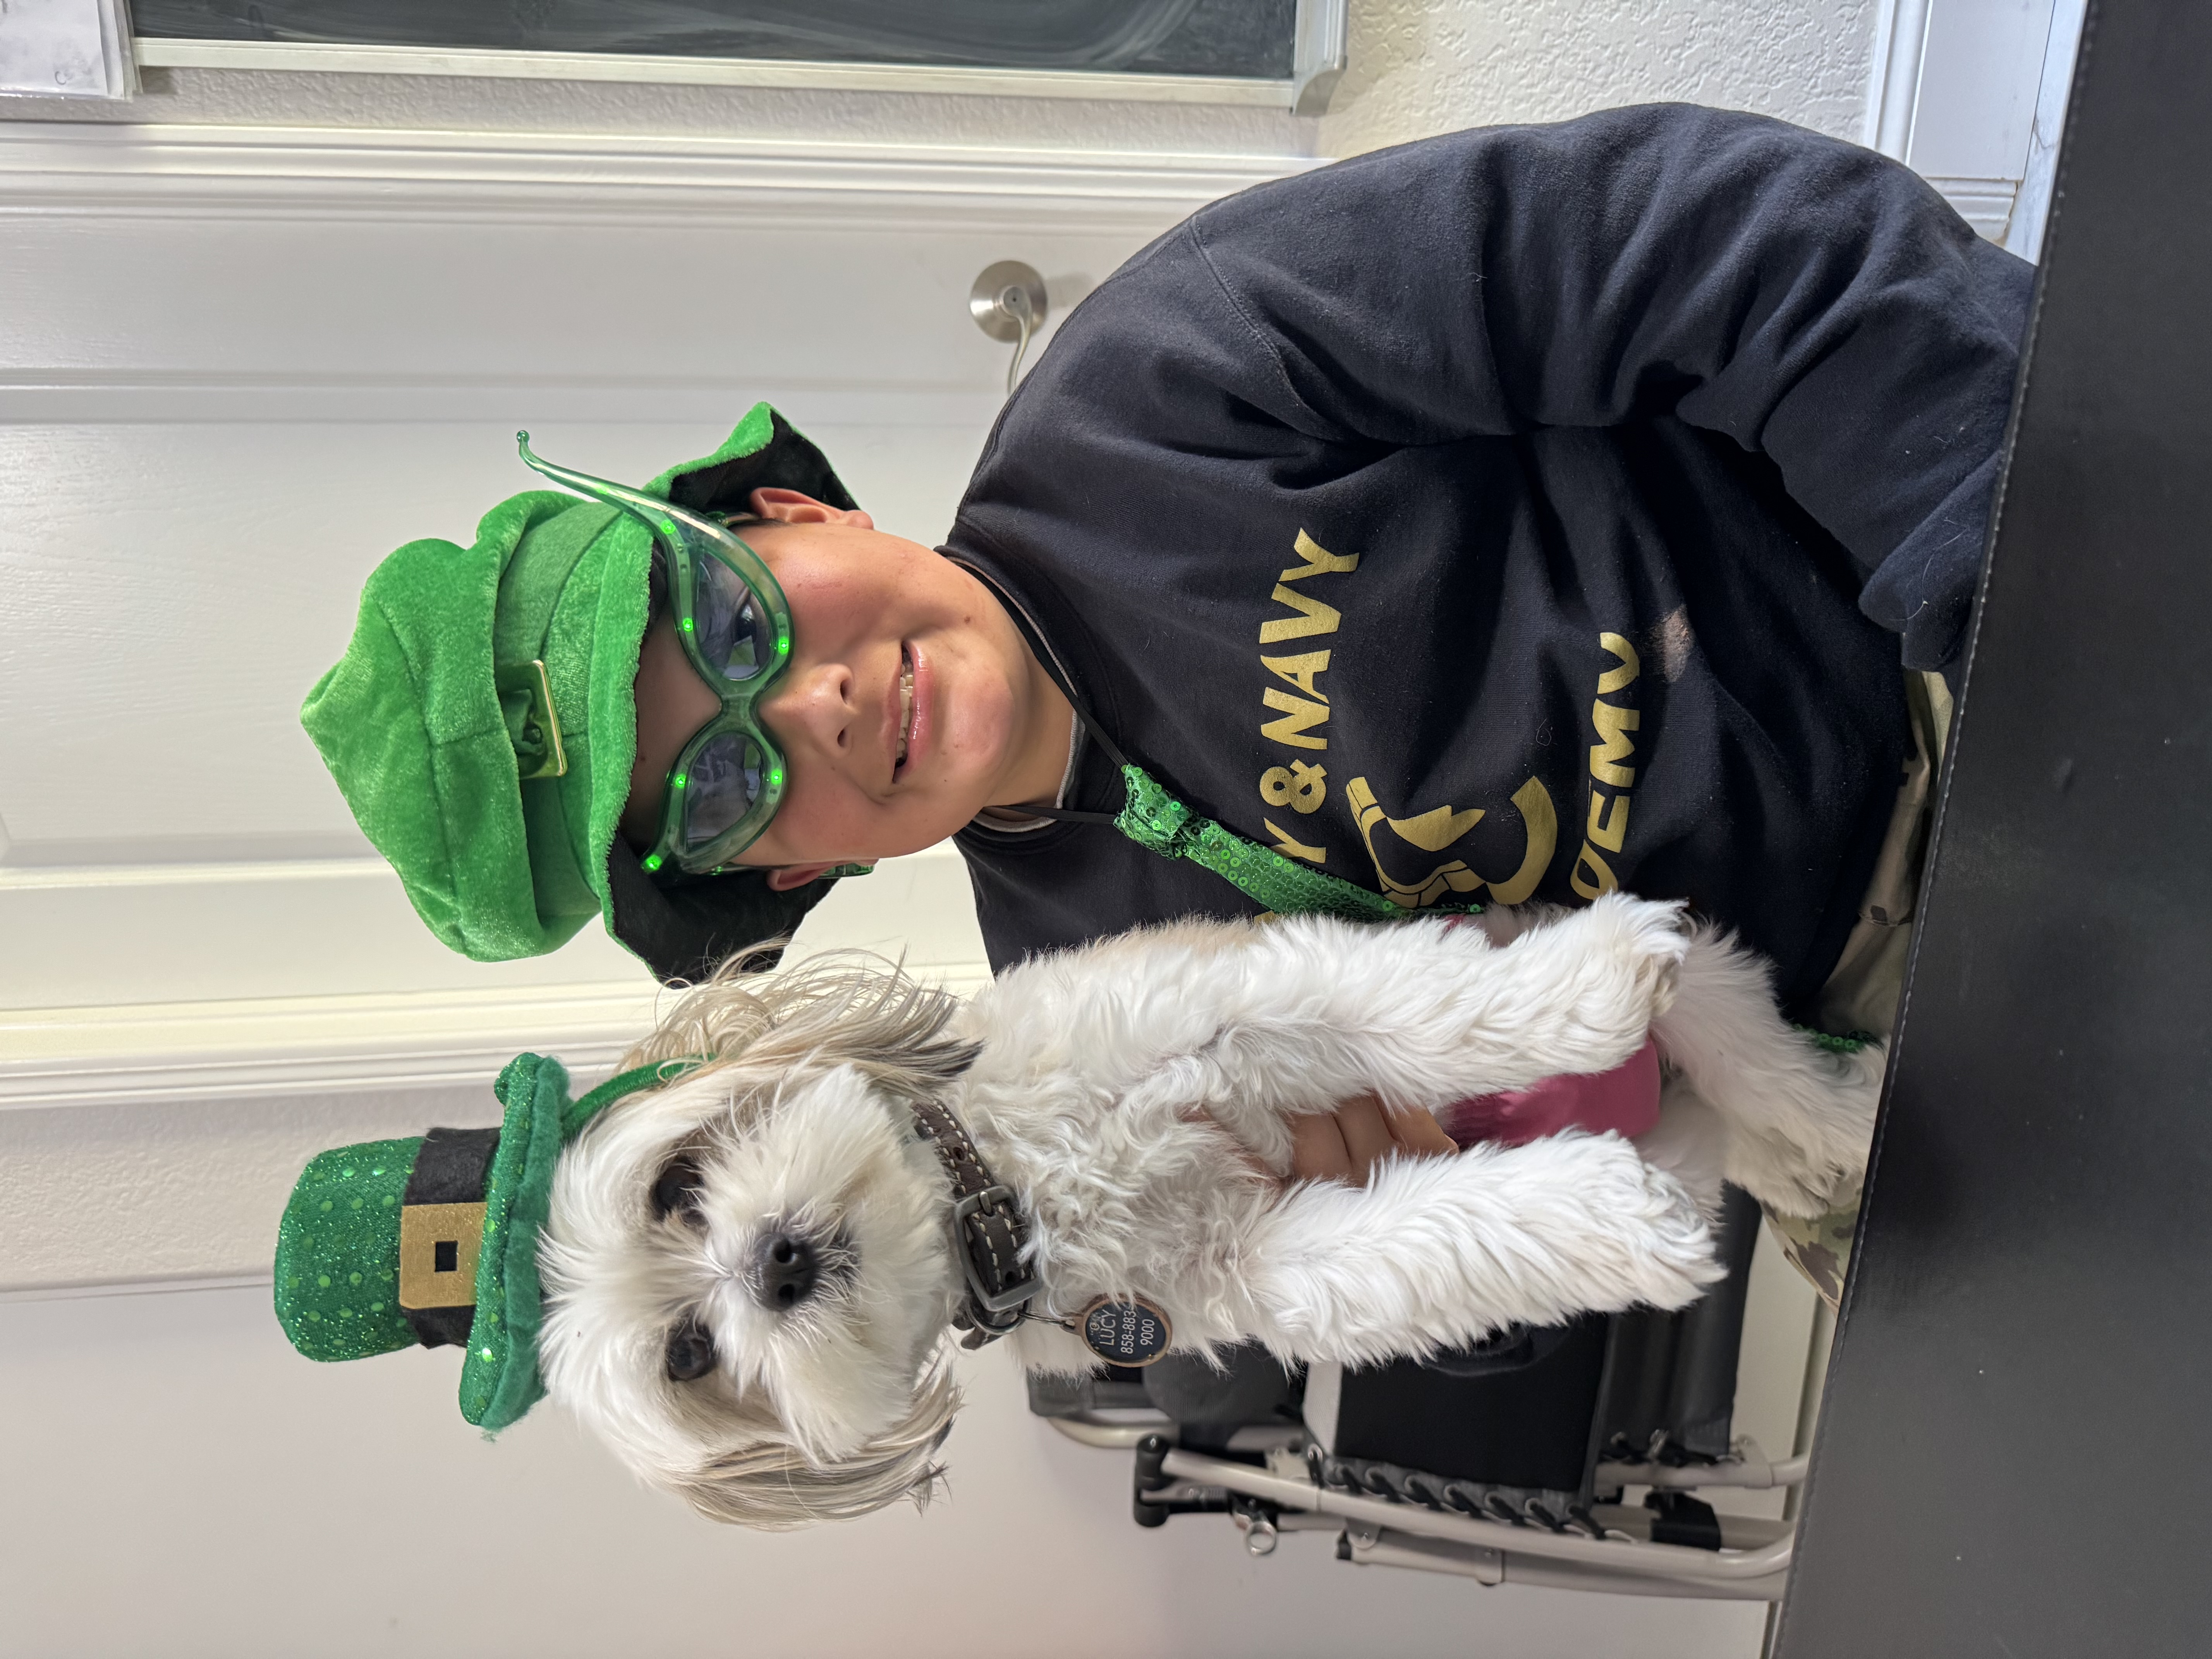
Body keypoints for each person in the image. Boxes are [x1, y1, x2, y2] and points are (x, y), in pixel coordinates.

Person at [304, 105, 2028, 1197]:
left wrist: (2014, 585)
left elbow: (1717, 239)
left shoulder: (1165, 378)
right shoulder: (1084, 1011)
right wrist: (1383, 1193)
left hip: (1958, 675)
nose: (816, 705)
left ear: (786, 510)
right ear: (777, 878)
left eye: (742, 623)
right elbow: (1543, 1265)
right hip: (1859, 1079)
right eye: (732, 775)